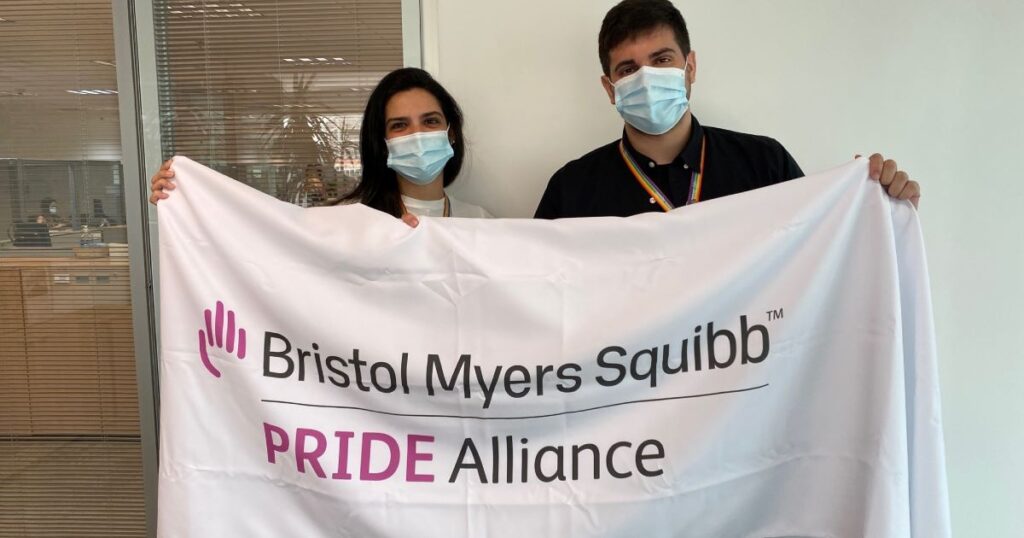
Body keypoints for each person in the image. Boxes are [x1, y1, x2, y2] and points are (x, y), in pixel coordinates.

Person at [534, 0, 921, 219]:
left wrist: (878, 212)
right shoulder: (571, 190)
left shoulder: (765, 165)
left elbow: (824, 255)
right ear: (609, 88)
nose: (647, 78)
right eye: (629, 69)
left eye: (662, 59)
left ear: (691, 67)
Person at [151, 68, 491, 225]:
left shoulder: (484, 224)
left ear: (451, 134)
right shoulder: (347, 221)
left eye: (430, 121)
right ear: (383, 143)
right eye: (399, 125)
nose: (417, 135)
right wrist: (187, 203)